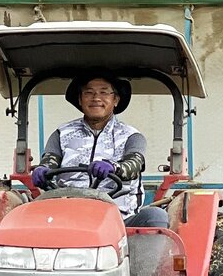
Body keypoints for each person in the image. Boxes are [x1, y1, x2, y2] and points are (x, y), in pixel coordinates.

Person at [29, 73, 170, 228]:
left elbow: (134, 163)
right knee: (24, 217)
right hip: (67, 216)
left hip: (118, 220)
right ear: (80, 99)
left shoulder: (131, 136)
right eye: (89, 92)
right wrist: (42, 170)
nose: (96, 98)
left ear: (115, 100)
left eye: (104, 92)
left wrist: (114, 167)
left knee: (156, 216)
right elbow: (50, 161)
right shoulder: (61, 134)